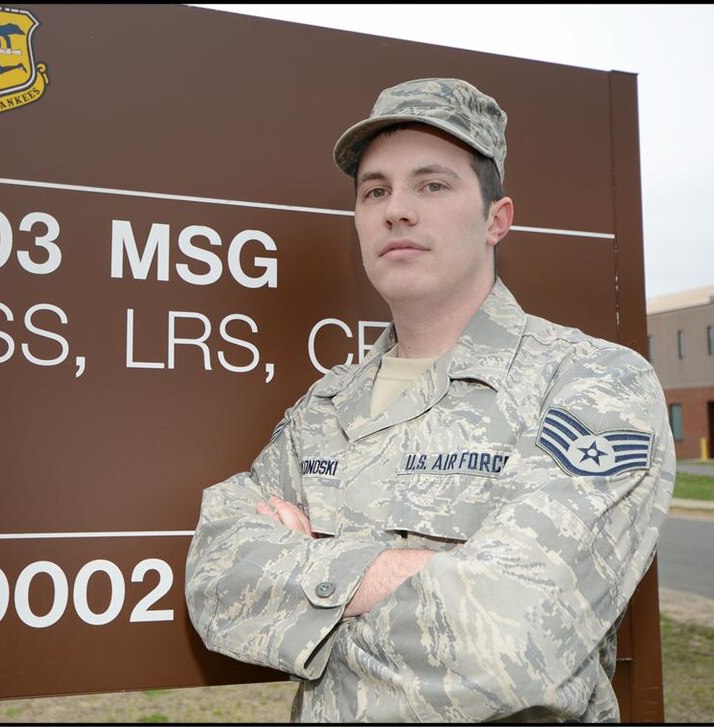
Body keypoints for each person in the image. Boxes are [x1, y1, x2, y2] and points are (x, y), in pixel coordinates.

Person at [184, 77, 675, 722]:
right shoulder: (324, 409)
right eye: (375, 190)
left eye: (432, 184)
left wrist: (307, 581)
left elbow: (511, 634)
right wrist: (428, 576)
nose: (397, 209)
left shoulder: (592, 383)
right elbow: (217, 580)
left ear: (496, 219)